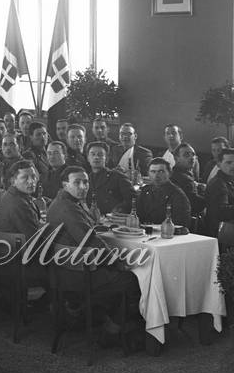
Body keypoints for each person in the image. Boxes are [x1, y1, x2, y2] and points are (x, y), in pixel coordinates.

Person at [44, 165, 141, 339]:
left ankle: (89, 313)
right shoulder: (68, 208)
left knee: (116, 269)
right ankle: (113, 330)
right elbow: (89, 241)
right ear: (65, 185)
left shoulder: (62, 202)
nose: (83, 187)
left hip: (62, 271)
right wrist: (117, 262)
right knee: (131, 278)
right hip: (77, 275)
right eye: (77, 182)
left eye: (86, 182)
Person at [202, 148, 234, 237]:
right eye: (228, 163)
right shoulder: (218, 183)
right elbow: (221, 211)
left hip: (233, 228)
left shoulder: (232, 180)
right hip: (221, 233)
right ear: (219, 164)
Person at [134, 159, 192, 227]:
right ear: (148, 174)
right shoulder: (145, 191)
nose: (156, 175)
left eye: (161, 171)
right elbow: (137, 216)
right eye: (153, 171)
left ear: (170, 173)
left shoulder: (177, 195)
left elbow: (181, 224)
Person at [84, 142, 134, 217]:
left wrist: (119, 209)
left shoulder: (117, 177)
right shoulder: (85, 179)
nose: (96, 157)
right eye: (93, 154)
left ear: (107, 158)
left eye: (100, 155)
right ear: (88, 158)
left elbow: (133, 199)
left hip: (113, 219)